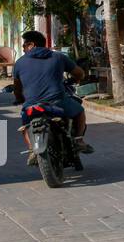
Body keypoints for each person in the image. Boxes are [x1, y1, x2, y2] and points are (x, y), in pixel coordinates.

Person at [12, 30, 91, 164]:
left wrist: (20, 99)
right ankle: (79, 140)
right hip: (57, 101)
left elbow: (17, 88)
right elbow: (80, 73)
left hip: (32, 104)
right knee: (80, 112)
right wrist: (76, 79)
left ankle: (32, 150)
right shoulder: (58, 57)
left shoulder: (19, 63)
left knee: (26, 125)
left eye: (24, 46)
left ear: (31, 45)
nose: (23, 49)